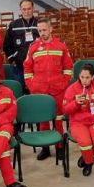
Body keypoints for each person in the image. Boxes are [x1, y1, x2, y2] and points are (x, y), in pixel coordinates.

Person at [23, 17, 73, 161]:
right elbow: (27, 68)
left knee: (58, 120)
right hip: (39, 90)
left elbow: (68, 67)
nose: (42, 33)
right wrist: (32, 86)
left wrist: (63, 83)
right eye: (39, 31)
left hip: (58, 89)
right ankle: (45, 148)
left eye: (44, 30)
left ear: (51, 29)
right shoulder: (33, 47)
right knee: (43, 121)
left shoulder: (60, 46)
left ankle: (59, 147)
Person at [62, 63, 94, 176]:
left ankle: (85, 156)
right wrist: (76, 103)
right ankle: (89, 162)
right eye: (82, 77)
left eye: (87, 77)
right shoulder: (72, 89)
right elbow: (65, 110)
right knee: (85, 143)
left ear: (92, 77)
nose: (84, 80)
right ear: (79, 76)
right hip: (78, 122)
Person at [3, 0, 39, 89]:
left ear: (33, 9)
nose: (27, 12)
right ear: (20, 10)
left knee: (35, 90)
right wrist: (12, 60)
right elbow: (6, 45)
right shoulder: (13, 25)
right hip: (18, 65)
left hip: (37, 65)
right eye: (24, 9)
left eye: (29, 8)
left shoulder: (40, 24)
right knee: (20, 90)